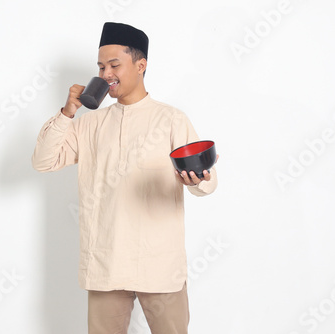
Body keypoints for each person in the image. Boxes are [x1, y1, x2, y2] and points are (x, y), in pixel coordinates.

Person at [32, 22, 218, 334]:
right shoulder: (89, 125)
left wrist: (195, 180)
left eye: (114, 65)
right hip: (105, 264)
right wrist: (68, 112)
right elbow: (43, 161)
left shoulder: (170, 119)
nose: (106, 74)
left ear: (141, 65)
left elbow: (208, 182)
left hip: (159, 265)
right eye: (101, 66)